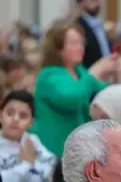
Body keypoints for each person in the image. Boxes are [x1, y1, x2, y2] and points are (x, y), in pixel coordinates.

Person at [31, 21, 115, 157]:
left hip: (77, 147)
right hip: (53, 150)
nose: (81, 48)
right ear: (58, 49)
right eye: (74, 43)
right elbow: (71, 98)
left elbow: (103, 91)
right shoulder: (48, 75)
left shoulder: (79, 71)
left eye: (82, 43)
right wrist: (94, 73)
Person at [0, 90, 55, 182]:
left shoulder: (32, 141)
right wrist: (27, 163)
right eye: (10, 113)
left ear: (31, 123)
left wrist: (33, 162)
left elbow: (52, 175)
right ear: (0, 116)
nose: (15, 119)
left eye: (23, 116)